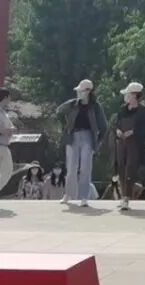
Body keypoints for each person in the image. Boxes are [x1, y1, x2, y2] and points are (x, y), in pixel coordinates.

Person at [57, 79, 107, 207]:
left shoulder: (95, 107)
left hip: (88, 137)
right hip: (73, 136)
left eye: (81, 91)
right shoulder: (72, 104)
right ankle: (68, 194)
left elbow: (103, 126)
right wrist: (65, 127)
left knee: (85, 168)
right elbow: (59, 111)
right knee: (71, 167)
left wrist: (98, 141)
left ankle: (84, 196)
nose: (78, 93)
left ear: (88, 91)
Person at [113, 82, 145, 211]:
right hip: (121, 143)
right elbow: (116, 123)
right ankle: (122, 195)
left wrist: (133, 131)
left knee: (130, 169)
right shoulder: (122, 109)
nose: (126, 96)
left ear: (135, 95)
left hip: (135, 144)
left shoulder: (144, 111)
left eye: (128, 94)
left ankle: (127, 197)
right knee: (121, 168)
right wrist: (118, 130)